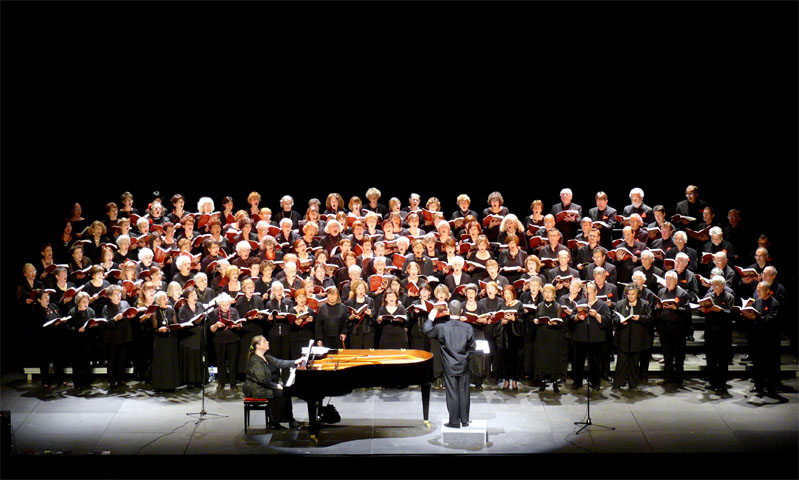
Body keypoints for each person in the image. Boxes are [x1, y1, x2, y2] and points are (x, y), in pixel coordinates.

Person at [423, 299, 476, 429]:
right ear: (461, 311)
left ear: (449, 311)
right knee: (464, 392)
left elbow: (427, 330)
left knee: (452, 392)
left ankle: (454, 421)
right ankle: (464, 420)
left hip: (449, 364)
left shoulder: (442, 327)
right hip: (463, 364)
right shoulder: (467, 327)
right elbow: (472, 346)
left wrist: (431, 317)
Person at [244, 335, 303, 429]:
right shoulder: (255, 361)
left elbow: (279, 363)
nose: (267, 342)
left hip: (264, 386)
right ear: (258, 346)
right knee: (281, 393)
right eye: (264, 341)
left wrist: (295, 362)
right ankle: (274, 421)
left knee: (286, 391)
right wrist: (275, 386)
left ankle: (290, 420)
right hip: (256, 389)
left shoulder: (266, 357)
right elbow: (262, 379)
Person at [568, 281, 610, 391]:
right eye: (586, 293)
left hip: (595, 338)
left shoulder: (602, 305)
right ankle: (577, 382)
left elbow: (607, 321)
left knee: (594, 361)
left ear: (595, 292)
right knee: (578, 361)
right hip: (580, 337)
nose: (588, 295)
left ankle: (595, 383)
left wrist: (596, 315)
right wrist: (577, 317)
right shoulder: (580, 303)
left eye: (590, 293)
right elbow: (571, 318)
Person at [743, 282, 781, 396]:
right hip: (758, 337)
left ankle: (770, 387)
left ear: (767, 291)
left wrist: (755, 318)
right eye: (757, 290)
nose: (757, 293)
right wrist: (746, 314)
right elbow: (754, 315)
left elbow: (771, 319)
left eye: (760, 291)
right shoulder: (757, 301)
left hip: (770, 338)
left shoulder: (774, 303)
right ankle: (758, 385)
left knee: (769, 364)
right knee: (757, 362)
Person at [611, 284, 652, 392]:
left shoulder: (644, 304)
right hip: (623, 338)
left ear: (637, 294)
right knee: (621, 363)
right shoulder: (620, 304)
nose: (630, 296)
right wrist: (620, 321)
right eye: (628, 294)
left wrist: (640, 318)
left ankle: (633, 384)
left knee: (634, 363)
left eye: (633, 294)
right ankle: (617, 383)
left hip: (637, 338)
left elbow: (649, 319)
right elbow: (614, 317)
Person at [700, 275, 736, 393]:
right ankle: (712, 381)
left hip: (723, 331)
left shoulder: (729, 297)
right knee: (710, 357)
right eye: (713, 285)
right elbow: (702, 309)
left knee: (722, 358)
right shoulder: (709, 296)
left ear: (723, 285)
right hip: (710, 330)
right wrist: (703, 309)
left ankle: (722, 383)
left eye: (716, 285)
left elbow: (732, 313)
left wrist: (721, 310)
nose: (714, 287)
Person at [656, 270, 692, 387]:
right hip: (664, 327)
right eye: (667, 279)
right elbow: (656, 308)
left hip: (678, 329)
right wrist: (658, 307)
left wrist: (675, 308)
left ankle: (679, 379)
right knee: (667, 354)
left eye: (671, 279)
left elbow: (687, 311)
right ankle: (667, 377)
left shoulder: (683, 294)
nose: (668, 282)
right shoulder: (661, 292)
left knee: (679, 355)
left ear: (676, 281)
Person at [208, 292, 244, 391]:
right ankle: (221, 382)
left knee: (233, 362)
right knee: (220, 362)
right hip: (219, 340)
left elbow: (239, 326)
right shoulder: (214, 312)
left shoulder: (234, 311)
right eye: (223, 305)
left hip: (233, 339)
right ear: (219, 304)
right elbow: (211, 329)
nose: (226, 307)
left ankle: (233, 383)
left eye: (228, 304)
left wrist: (238, 326)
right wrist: (216, 325)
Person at [533, 284, 565, 393]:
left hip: (553, 334)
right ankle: (542, 381)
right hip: (542, 334)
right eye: (545, 292)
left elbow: (560, 321)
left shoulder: (557, 306)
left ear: (553, 294)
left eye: (549, 292)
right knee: (542, 358)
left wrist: (554, 323)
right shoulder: (540, 305)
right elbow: (537, 318)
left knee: (553, 358)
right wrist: (536, 321)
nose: (547, 294)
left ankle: (555, 381)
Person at [102, 285, 133, 392]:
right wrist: (115, 319)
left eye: (119, 294)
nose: (118, 296)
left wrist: (132, 316)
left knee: (122, 360)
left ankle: (121, 379)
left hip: (125, 336)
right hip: (113, 338)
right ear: (110, 296)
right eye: (115, 294)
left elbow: (130, 314)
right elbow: (106, 324)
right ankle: (112, 381)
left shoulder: (125, 303)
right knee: (112, 360)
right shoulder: (106, 308)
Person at [494, 285, 524, 390]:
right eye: (505, 294)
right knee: (505, 359)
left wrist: (514, 319)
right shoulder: (500, 305)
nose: (507, 296)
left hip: (515, 335)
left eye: (509, 293)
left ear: (513, 294)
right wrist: (502, 322)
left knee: (515, 359)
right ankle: (506, 381)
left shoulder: (519, 305)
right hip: (504, 335)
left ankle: (515, 381)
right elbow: (496, 320)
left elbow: (523, 321)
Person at [177, 287, 207, 388]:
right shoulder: (183, 310)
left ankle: (199, 380)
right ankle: (190, 381)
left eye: (195, 294)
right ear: (186, 298)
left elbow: (205, 317)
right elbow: (182, 323)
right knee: (190, 360)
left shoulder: (200, 306)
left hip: (199, 337)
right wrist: (195, 322)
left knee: (199, 359)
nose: (195, 297)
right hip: (189, 338)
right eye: (192, 295)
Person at [151, 291, 181, 391]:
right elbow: (154, 329)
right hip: (161, 341)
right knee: (162, 362)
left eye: (166, 298)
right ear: (158, 301)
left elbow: (175, 323)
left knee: (171, 362)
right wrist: (159, 330)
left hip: (171, 339)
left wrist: (175, 328)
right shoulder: (155, 312)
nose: (166, 300)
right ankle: (160, 385)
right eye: (163, 299)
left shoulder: (171, 310)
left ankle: (171, 384)